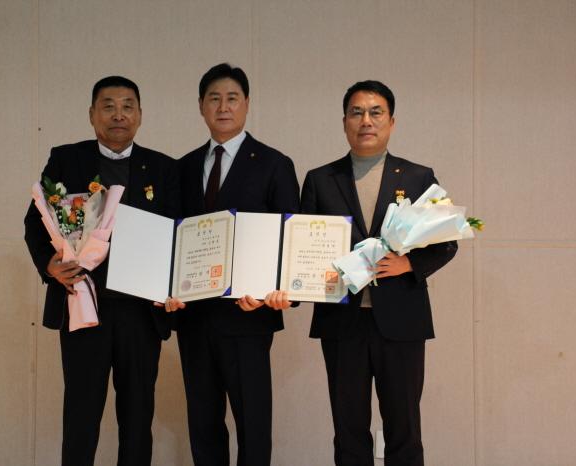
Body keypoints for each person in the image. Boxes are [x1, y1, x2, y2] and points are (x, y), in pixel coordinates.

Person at [24, 76, 179, 466]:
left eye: (127, 106)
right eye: (108, 106)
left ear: (140, 114)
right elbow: (34, 222)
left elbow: (178, 235)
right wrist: (49, 265)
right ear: (92, 114)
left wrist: (177, 286)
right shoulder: (66, 159)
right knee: (81, 415)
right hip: (82, 305)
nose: (118, 115)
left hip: (141, 313)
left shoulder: (164, 168)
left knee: (137, 417)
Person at [300, 80, 457, 466]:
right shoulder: (320, 179)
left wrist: (410, 264)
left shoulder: (418, 177)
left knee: (404, 430)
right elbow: (302, 246)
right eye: (356, 113)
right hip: (342, 322)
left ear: (391, 121)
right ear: (344, 122)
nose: (366, 121)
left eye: (375, 112)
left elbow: (447, 240)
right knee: (348, 431)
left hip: (402, 321)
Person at [164, 63, 300, 466]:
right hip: (194, 317)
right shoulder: (183, 167)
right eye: (214, 98)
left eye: (232, 98)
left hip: (248, 317)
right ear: (201, 106)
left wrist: (274, 292)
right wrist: (164, 288)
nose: (223, 107)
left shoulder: (274, 163)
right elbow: (171, 237)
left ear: (247, 104)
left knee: (253, 425)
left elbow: (289, 236)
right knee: (203, 425)